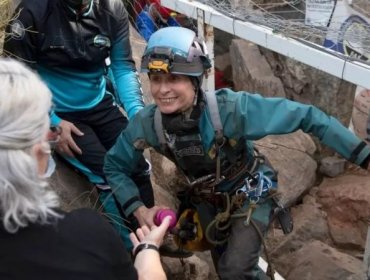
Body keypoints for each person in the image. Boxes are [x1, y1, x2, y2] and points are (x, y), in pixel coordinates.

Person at [103, 26, 370, 279]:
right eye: (156, 79)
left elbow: (308, 116)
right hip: (208, 202)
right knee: (226, 269)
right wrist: (139, 210)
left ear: (196, 81)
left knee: (235, 270)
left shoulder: (230, 110)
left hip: (251, 193)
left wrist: (362, 155)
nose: (162, 90)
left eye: (174, 78)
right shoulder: (149, 124)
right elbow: (114, 165)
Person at [3, 0, 154, 250]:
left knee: (137, 163)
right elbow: (18, 77)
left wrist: (138, 115)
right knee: (104, 169)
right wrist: (50, 121)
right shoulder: (31, 12)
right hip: (57, 111)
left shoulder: (113, 8)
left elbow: (122, 66)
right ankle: (128, 250)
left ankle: (151, 235)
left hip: (99, 103)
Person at [0, 58, 170, 280]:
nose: (52, 135)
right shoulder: (86, 238)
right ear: (35, 151)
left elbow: (121, 66)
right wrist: (147, 252)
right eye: (45, 126)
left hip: (99, 109)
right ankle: (132, 243)